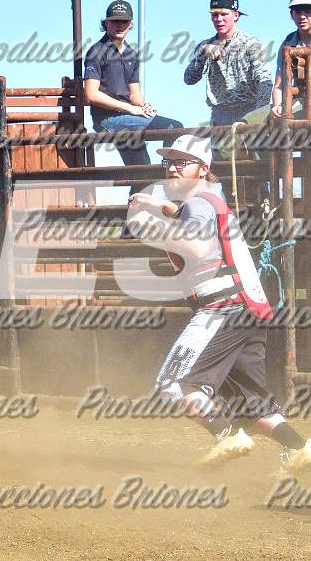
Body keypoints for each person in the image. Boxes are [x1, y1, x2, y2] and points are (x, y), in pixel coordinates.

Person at [127, 134, 311, 470]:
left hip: (222, 307)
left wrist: (148, 225)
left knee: (173, 385)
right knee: (252, 407)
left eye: (182, 162)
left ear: (202, 169)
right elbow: (189, 218)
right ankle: (300, 449)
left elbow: (197, 245)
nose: (172, 168)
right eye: (169, 161)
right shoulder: (209, 199)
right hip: (246, 310)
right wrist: (158, 206)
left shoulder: (198, 202)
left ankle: (226, 436)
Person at [85, 0, 182, 166]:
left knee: (142, 170)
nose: (120, 25)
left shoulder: (131, 53)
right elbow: (91, 95)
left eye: (124, 21)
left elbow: (135, 95)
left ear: (130, 24)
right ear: (106, 23)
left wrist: (143, 106)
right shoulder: (96, 51)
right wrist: (131, 109)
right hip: (107, 120)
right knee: (175, 127)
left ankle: (163, 172)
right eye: (115, 21)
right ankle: (169, 170)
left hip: (128, 118)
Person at [184, 0, 273, 127]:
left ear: (236, 15)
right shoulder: (205, 45)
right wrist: (203, 53)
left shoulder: (251, 43)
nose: (219, 19)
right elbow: (189, 79)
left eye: (224, 14)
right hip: (219, 115)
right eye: (215, 15)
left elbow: (265, 81)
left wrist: (259, 116)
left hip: (248, 112)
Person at [271, 0, 311, 118]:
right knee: (251, 120)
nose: (302, 16)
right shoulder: (288, 43)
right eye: (298, 12)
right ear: (291, 15)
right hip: (299, 100)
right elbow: (279, 86)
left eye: (308, 11)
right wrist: (278, 105)